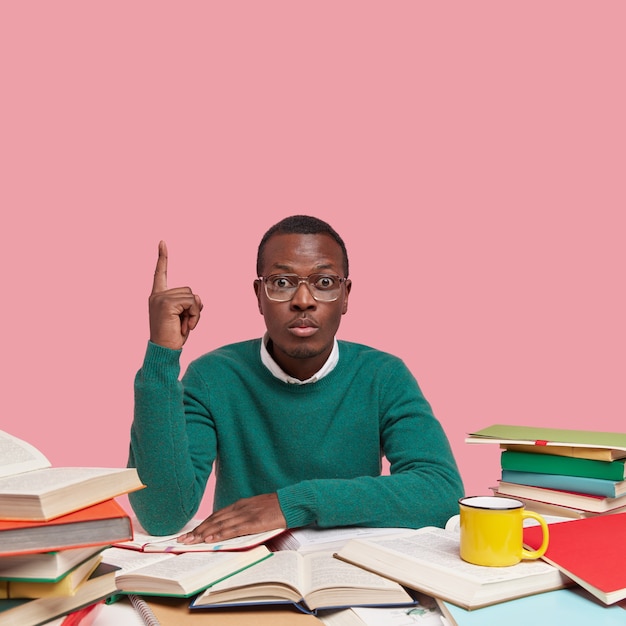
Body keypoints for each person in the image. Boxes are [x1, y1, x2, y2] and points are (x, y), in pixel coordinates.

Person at [128, 215, 464, 542]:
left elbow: (441, 491)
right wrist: (162, 355)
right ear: (259, 295)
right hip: (242, 572)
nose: (303, 301)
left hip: (350, 572)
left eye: (324, 283)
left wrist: (294, 504)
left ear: (346, 295)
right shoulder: (213, 376)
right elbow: (161, 516)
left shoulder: (384, 375)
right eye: (283, 283)